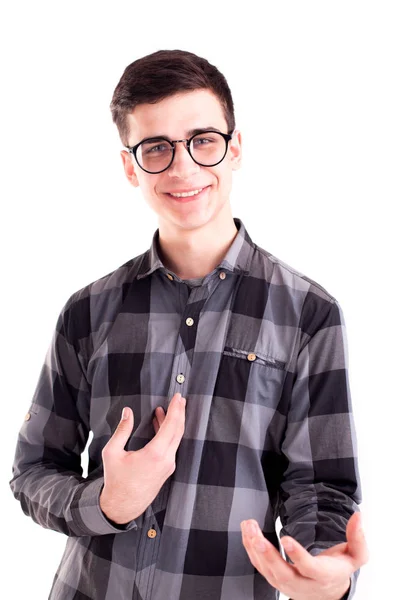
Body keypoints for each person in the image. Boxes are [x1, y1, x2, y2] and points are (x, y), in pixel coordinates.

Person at [9, 49, 368, 600]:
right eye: (157, 148)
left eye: (203, 140)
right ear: (130, 166)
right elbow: (33, 472)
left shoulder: (308, 314)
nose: (183, 168)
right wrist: (108, 503)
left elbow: (321, 488)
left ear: (236, 148)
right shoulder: (87, 313)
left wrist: (320, 568)